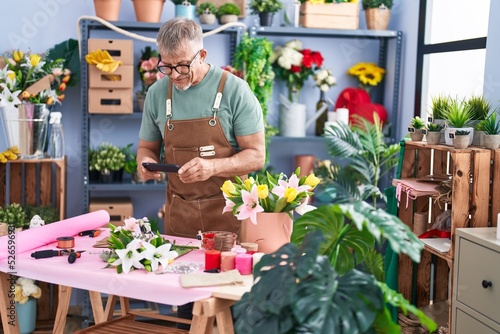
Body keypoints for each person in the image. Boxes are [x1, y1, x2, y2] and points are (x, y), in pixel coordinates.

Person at [136, 17, 265, 328]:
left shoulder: (234, 91)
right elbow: (146, 150)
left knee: (229, 314)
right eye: (166, 67)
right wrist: (145, 165)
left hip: (229, 223)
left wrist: (213, 167)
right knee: (187, 315)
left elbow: (257, 156)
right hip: (180, 223)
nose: (175, 75)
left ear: (202, 56)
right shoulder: (157, 94)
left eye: (183, 65)